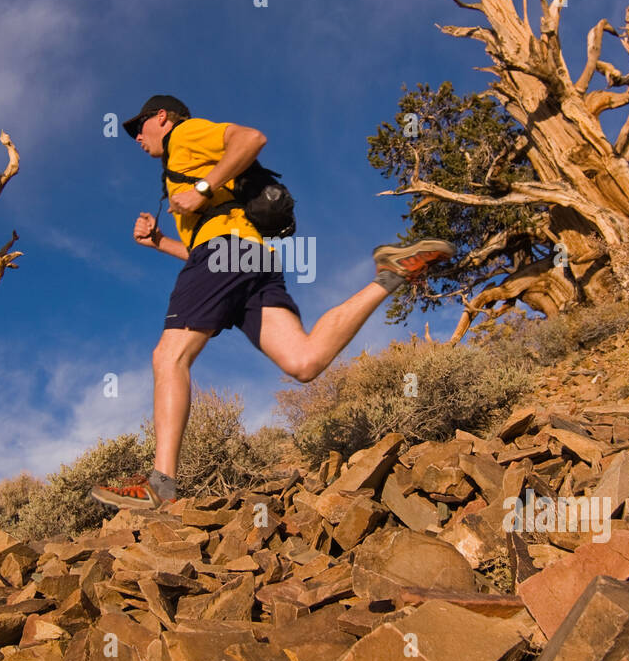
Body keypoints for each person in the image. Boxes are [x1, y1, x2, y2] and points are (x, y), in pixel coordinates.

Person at [91, 94, 456, 510]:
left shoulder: (185, 134)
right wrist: (158, 241)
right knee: (304, 361)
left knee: (168, 356)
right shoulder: (180, 170)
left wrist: (202, 189)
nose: (137, 137)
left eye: (139, 127)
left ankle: (162, 485)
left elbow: (251, 139)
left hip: (225, 252)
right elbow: (198, 248)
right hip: (249, 257)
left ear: (162, 117)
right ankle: (390, 275)